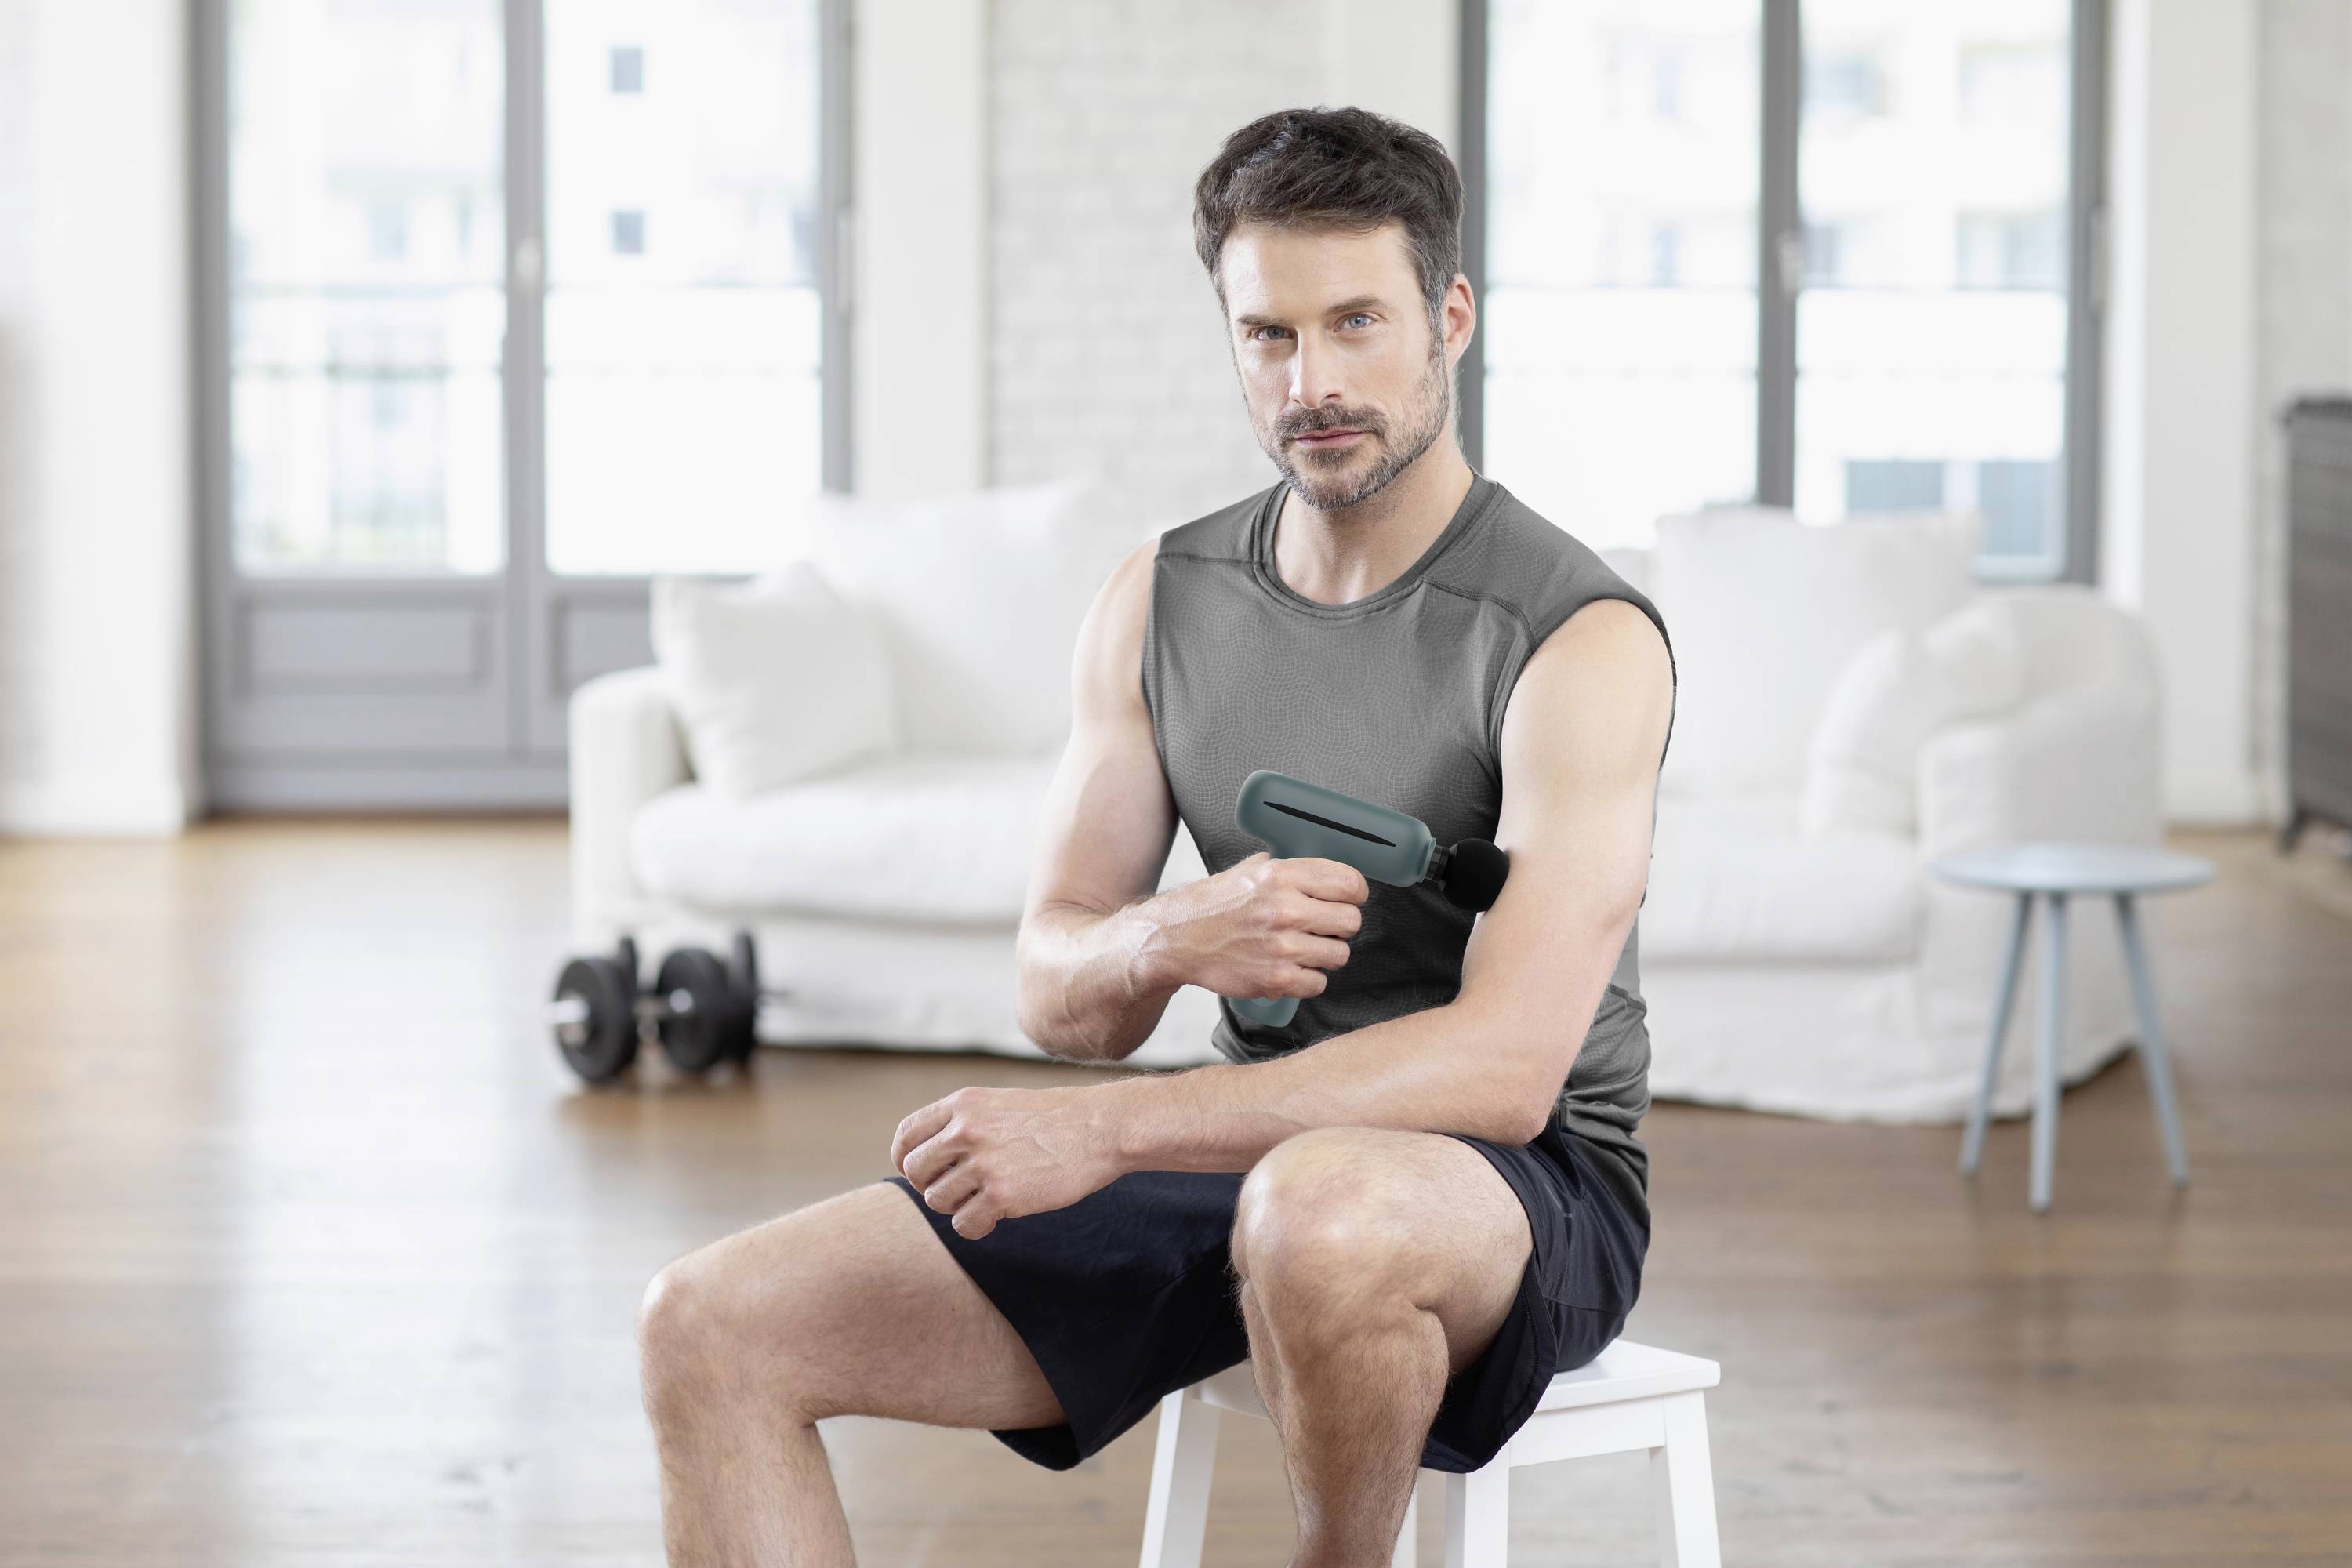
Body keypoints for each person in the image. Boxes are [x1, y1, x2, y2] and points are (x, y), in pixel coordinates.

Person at [637, 104, 1678, 1567]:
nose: (1311, 382)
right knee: (710, 1324)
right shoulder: (1161, 597)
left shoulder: (1577, 636)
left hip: (1516, 1192)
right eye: (1268, 335)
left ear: (1450, 318)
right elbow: (1056, 989)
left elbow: (1507, 1077)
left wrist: (1106, 1133)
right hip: (1235, 1155)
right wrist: (1164, 938)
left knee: (1317, 1215)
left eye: (1356, 322)